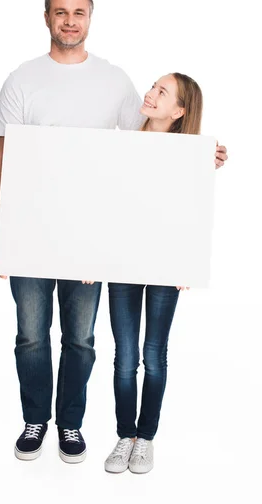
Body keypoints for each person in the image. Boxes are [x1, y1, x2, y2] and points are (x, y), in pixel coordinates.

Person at [0, 0, 228, 464]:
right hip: (32, 228)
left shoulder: (114, 80)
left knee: (81, 338)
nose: (70, 20)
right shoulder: (20, 80)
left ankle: (71, 425)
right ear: (47, 18)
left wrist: (196, 159)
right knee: (31, 334)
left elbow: (146, 145)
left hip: (90, 239)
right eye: (61, 12)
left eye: (79, 12)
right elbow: (1, 163)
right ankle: (36, 419)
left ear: (90, 18)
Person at [104, 72, 207, 474]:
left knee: (153, 355)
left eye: (161, 92)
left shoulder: (189, 156)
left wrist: (188, 260)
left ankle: (145, 439)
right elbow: (103, 202)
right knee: (125, 357)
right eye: (153, 87)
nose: (150, 93)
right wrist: (91, 258)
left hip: (165, 265)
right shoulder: (122, 144)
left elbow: (193, 214)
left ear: (179, 111)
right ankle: (124, 436)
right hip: (122, 263)